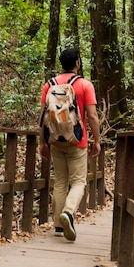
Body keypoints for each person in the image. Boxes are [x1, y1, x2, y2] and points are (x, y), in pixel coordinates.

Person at [39, 48, 101, 241]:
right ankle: (68, 212)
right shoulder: (85, 85)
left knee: (59, 182)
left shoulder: (49, 85)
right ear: (77, 63)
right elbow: (92, 116)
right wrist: (97, 141)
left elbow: (42, 117)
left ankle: (58, 226)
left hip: (55, 141)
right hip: (77, 141)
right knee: (78, 182)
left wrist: (43, 142)